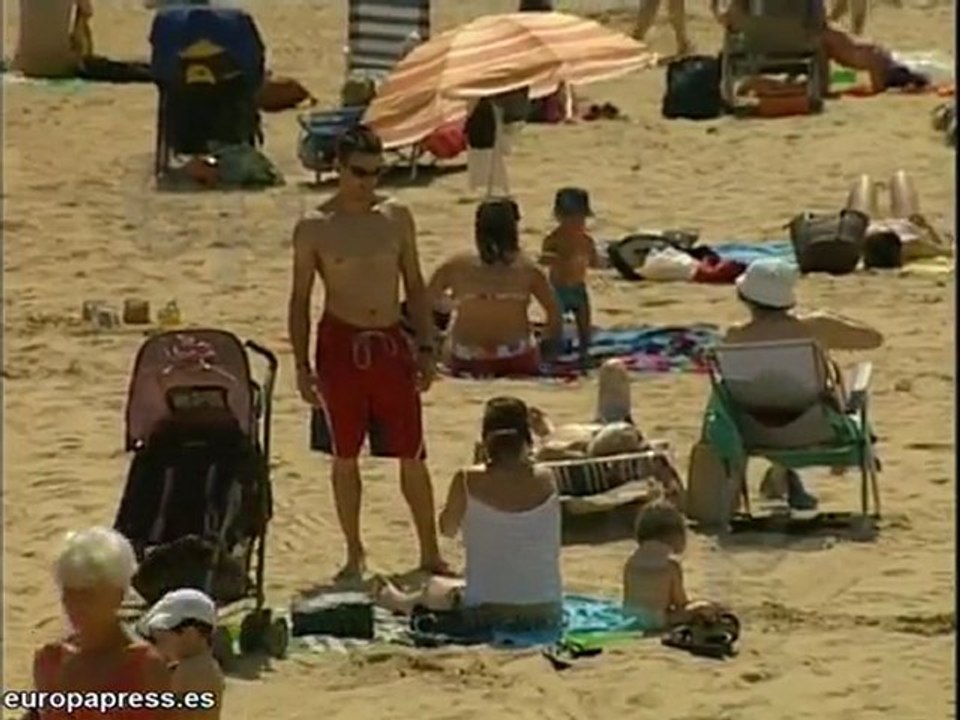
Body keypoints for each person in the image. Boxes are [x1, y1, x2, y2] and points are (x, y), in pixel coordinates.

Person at [287, 124, 447, 581]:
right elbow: (299, 299)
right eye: (359, 172)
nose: (368, 182)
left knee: (412, 452)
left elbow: (414, 284)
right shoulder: (315, 227)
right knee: (345, 454)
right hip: (341, 344)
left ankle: (429, 553)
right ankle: (355, 553)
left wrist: (426, 344)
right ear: (338, 168)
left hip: (391, 341)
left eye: (377, 172)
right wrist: (301, 365)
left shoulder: (396, 217)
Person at [374, 397, 563, 633]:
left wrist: (476, 467)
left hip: (487, 613)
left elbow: (447, 529)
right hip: (546, 610)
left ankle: (395, 600)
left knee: (435, 588)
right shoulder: (548, 478)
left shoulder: (467, 479)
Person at [724, 259, 883, 508]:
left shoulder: (733, 337)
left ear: (743, 297)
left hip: (752, 431)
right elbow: (874, 338)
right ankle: (784, 474)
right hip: (815, 428)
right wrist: (828, 319)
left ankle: (782, 474)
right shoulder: (814, 327)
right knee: (810, 391)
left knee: (773, 391)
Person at [30, 527, 170, 719]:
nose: (76, 605)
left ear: (118, 595)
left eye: (88, 595)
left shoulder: (145, 667)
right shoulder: (50, 660)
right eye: (69, 592)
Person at [428, 199, 563, 377]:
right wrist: (546, 344)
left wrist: (435, 333)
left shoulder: (456, 265)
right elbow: (554, 314)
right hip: (515, 354)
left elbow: (423, 301)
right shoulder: (528, 269)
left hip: (466, 356)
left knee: (449, 337)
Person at [712, 0, 892, 93]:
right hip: (800, 47)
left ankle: (767, 83)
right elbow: (817, 22)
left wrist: (717, 11)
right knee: (871, 53)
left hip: (757, 48)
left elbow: (732, 19)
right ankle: (790, 85)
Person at [622, 500, 723, 629]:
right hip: (655, 620)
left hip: (629, 617)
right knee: (700, 608)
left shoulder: (632, 560)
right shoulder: (670, 565)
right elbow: (680, 603)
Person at [539, 188, 600, 371]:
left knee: (584, 322)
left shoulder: (586, 241)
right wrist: (554, 259)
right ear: (559, 218)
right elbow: (544, 258)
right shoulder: (553, 239)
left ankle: (584, 352)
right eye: (571, 219)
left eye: (580, 219)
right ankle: (551, 351)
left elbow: (594, 260)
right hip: (558, 288)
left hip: (578, 287)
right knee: (555, 324)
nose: (576, 224)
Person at [141, 589, 224, 720]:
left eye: (161, 638)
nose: (158, 646)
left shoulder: (189, 672)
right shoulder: (206, 666)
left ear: (190, 633)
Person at [846, 170, 953, 265]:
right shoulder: (911, 245)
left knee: (865, 181)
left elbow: (944, 250)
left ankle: (872, 179)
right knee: (899, 177)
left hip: (882, 229)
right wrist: (930, 230)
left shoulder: (911, 245)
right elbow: (944, 250)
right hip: (900, 229)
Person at [13, 0, 92, 78]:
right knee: (83, 18)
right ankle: (83, 61)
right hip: (60, 66)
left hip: (26, 65)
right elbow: (87, 11)